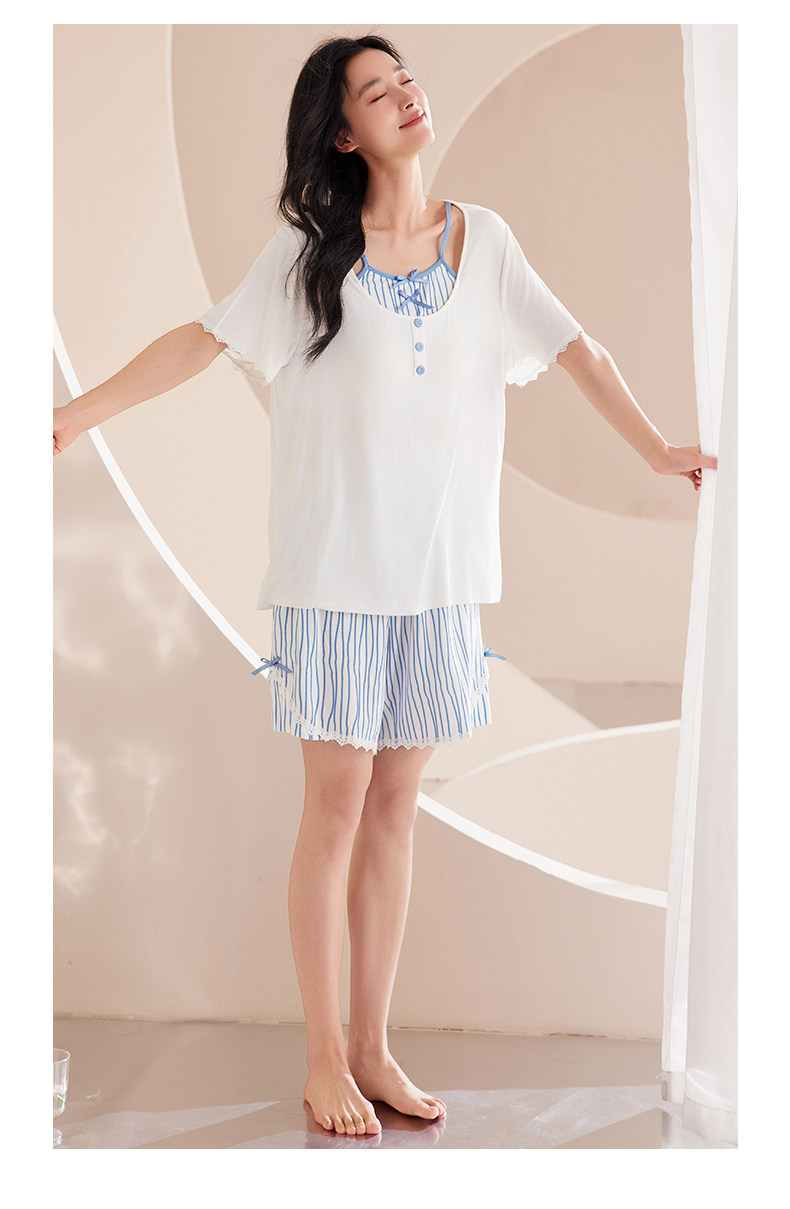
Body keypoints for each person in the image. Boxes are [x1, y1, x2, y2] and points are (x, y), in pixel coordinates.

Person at [53, 33, 718, 1138]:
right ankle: (323, 1056)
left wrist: (657, 452)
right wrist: (75, 416)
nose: (405, 93)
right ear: (341, 134)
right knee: (335, 807)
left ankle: (371, 1046)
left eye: (403, 76)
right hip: (331, 579)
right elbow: (203, 341)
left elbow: (577, 349)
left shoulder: (483, 242)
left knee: (398, 809)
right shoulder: (310, 257)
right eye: (375, 90)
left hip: (441, 584)